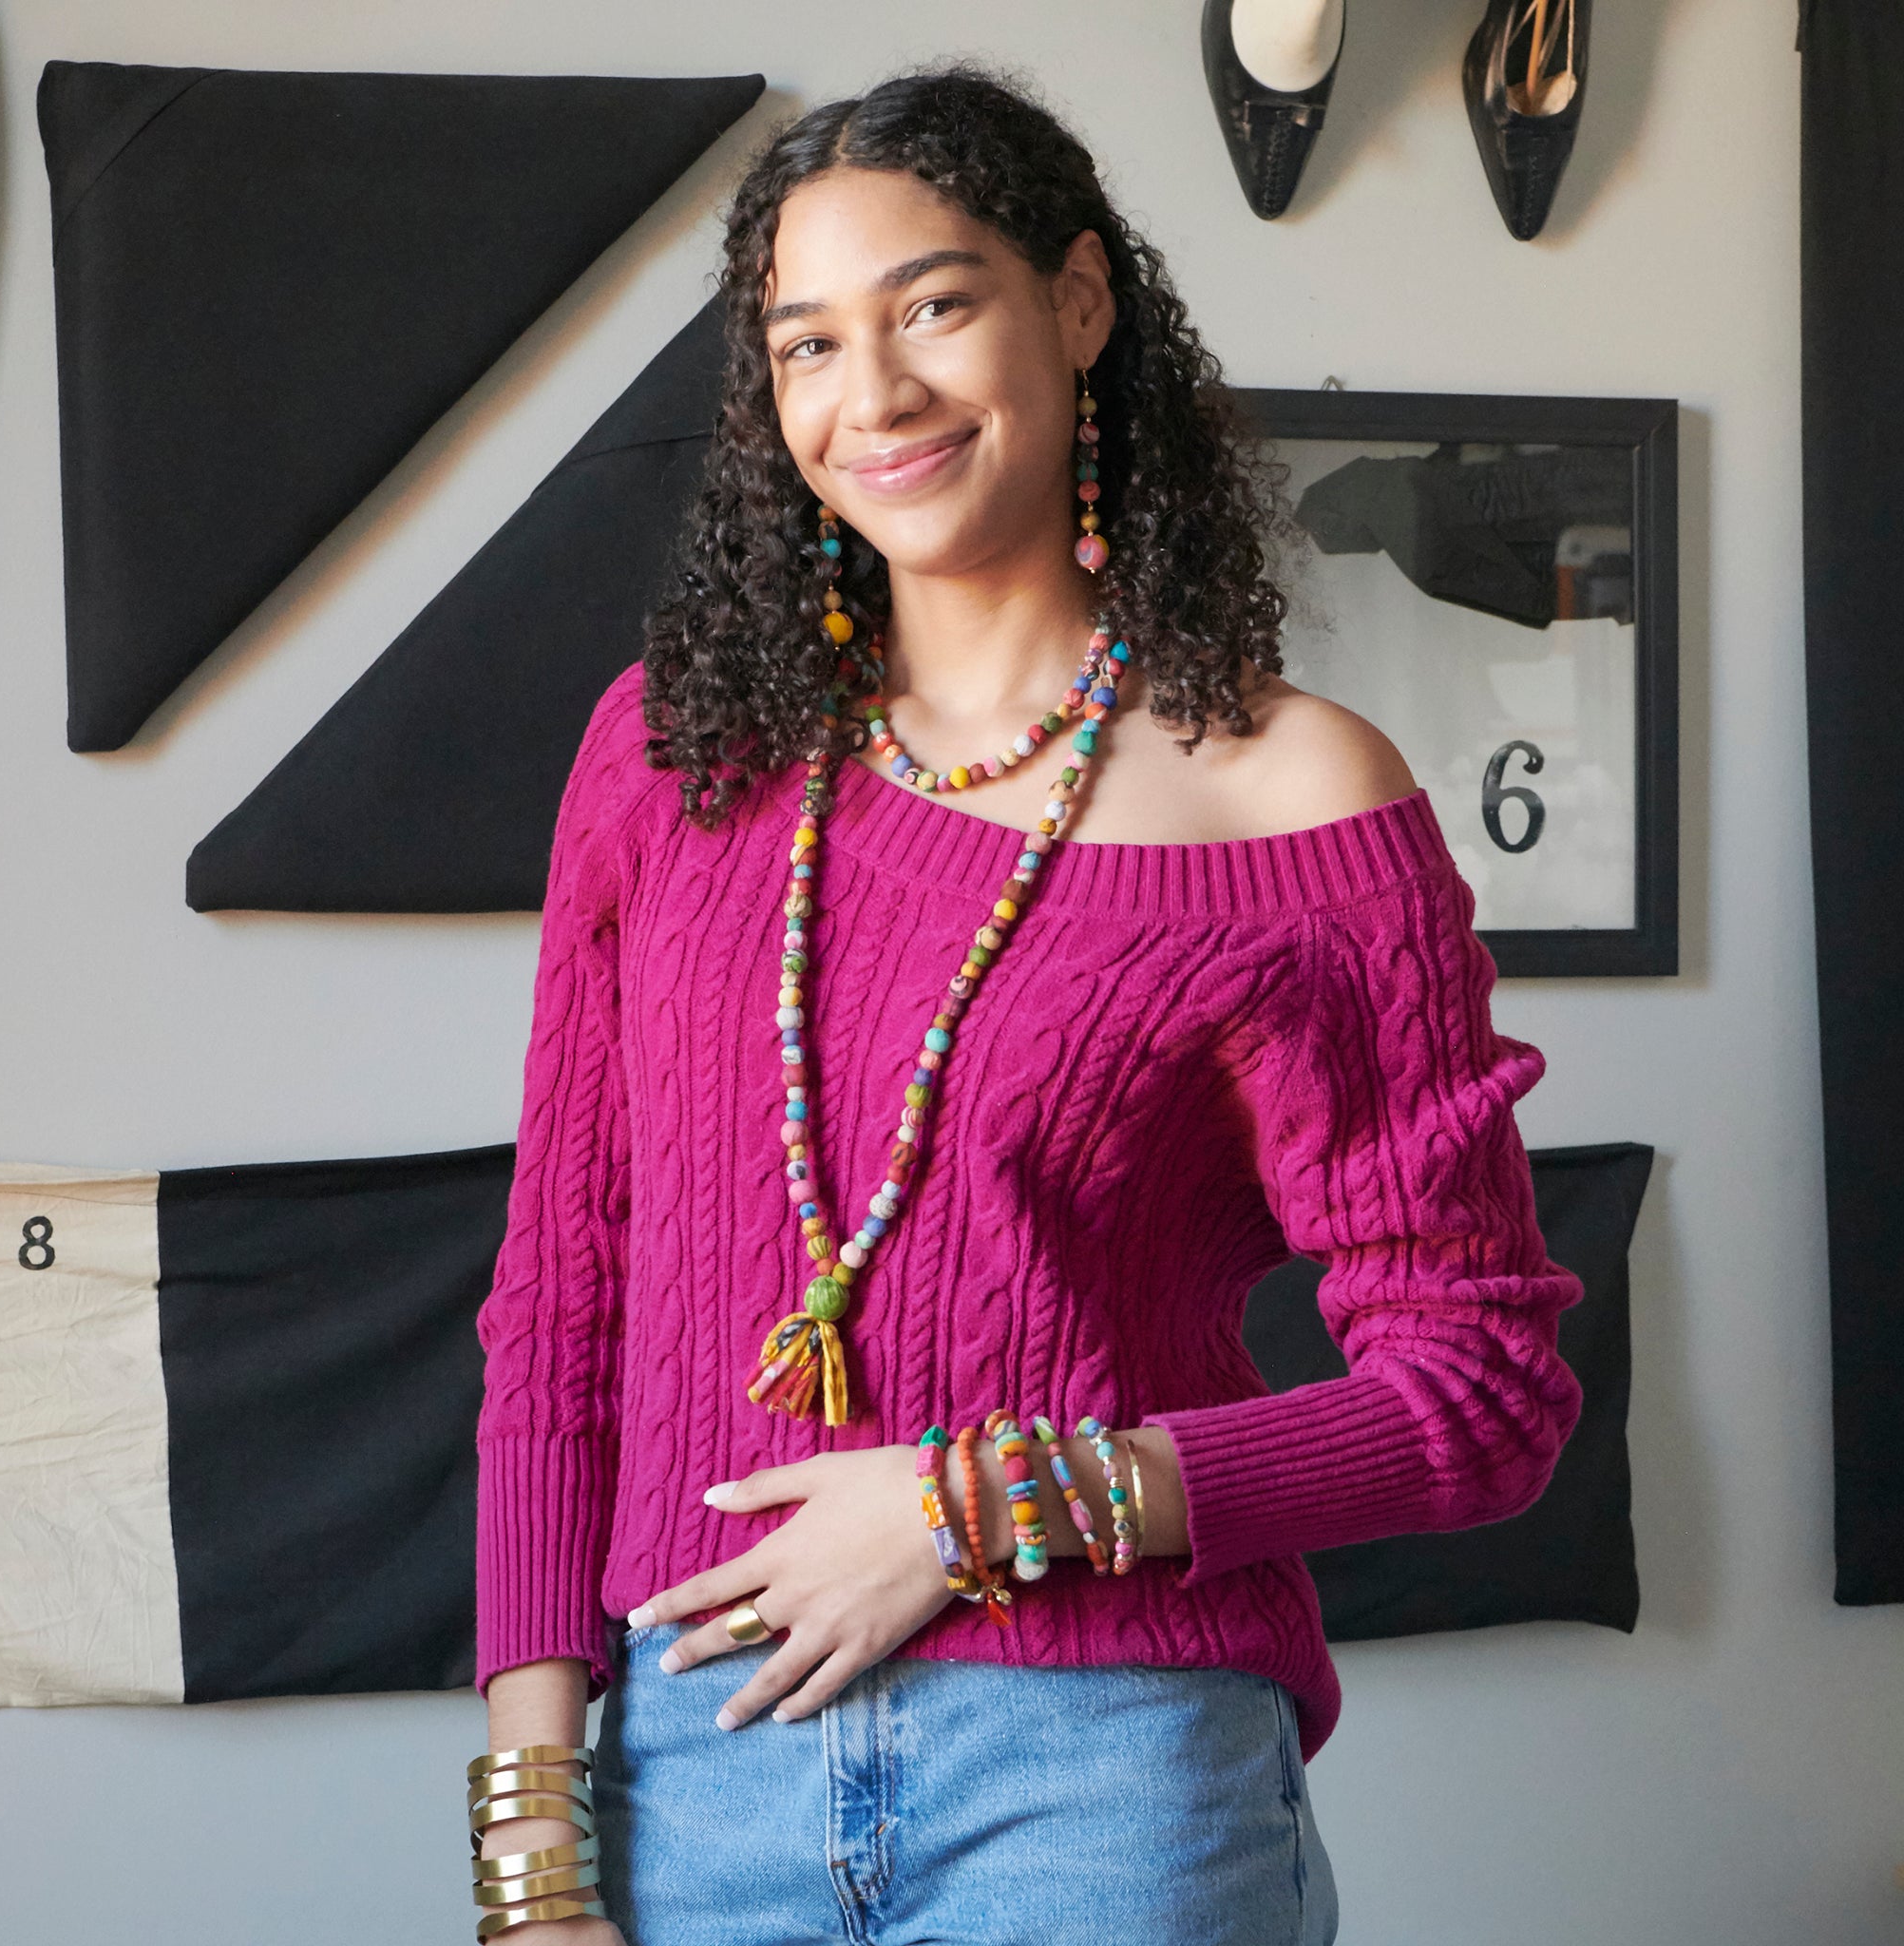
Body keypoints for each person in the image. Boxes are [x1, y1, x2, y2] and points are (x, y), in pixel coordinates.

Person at [466, 63, 1585, 1946]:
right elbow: (560, 1301)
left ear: (1075, 303)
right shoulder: (674, 764)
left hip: (1106, 1781)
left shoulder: (1292, 802)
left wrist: (985, 1508)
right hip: (686, 1776)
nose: (874, 394)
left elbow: (1480, 1396)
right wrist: (530, 1843)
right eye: (807, 344)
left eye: (933, 305)